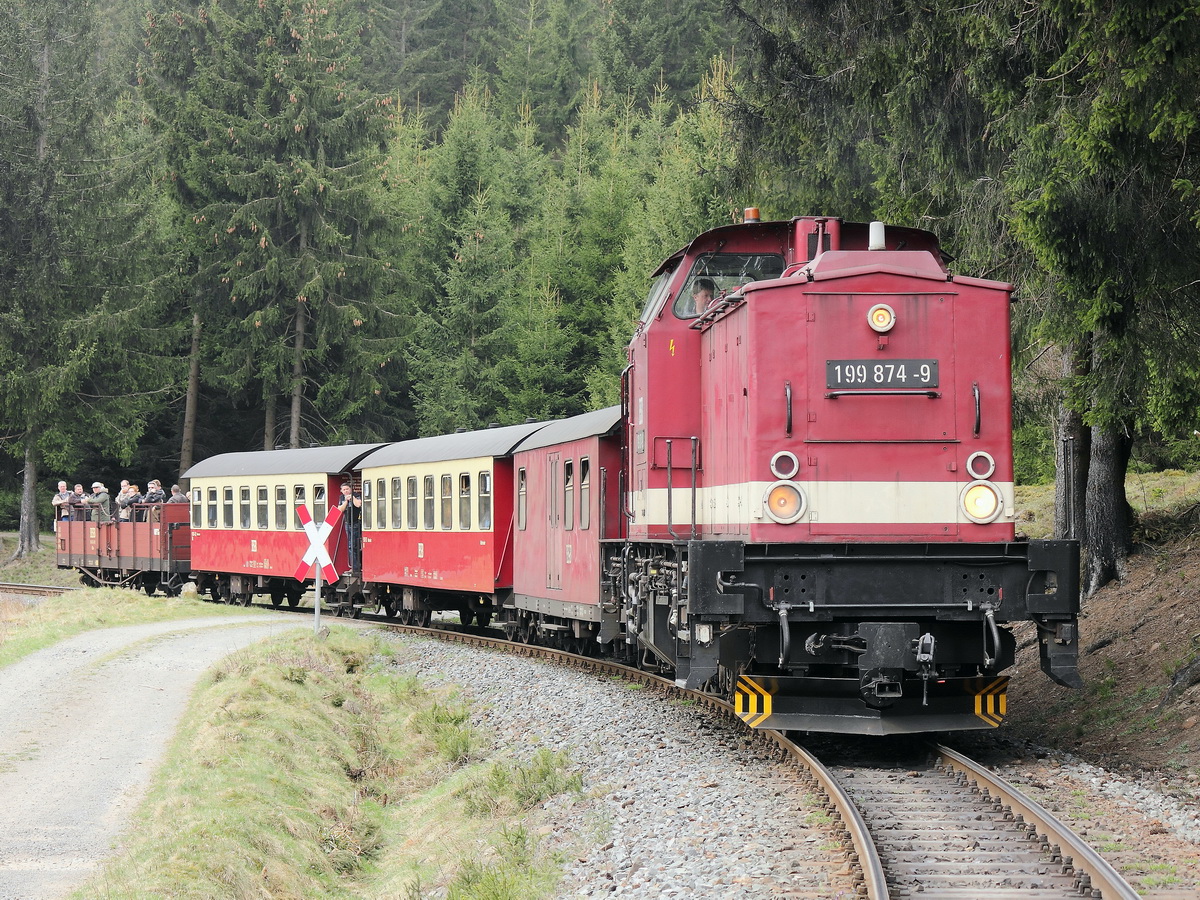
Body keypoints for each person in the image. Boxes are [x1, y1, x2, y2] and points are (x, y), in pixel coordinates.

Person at [336, 482, 362, 575]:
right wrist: (346, 501)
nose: (346, 491)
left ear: (351, 489)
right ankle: (353, 566)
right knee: (350, 546)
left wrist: (352, 498)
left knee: (354, 545)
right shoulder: (342, 498)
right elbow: (339, 510)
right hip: (347, 523)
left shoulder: (356, 495)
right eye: (344, 489)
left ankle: (356, 567)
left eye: (347, 489)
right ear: (341, 491)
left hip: (356, 523)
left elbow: (358, 504)